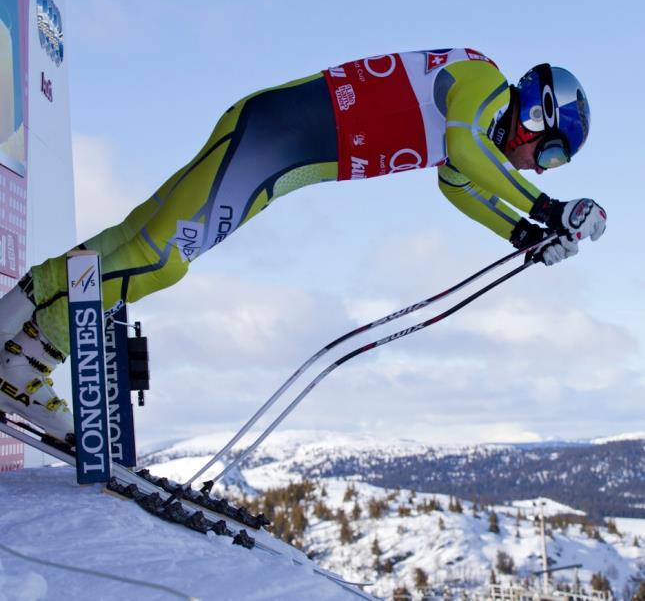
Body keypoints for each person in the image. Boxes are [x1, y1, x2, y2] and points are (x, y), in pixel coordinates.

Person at [0, 48, 607, 444]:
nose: (542, 169)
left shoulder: (474, 131)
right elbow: (471, 154)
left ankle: (18, 336)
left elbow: (459, 185)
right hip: (270, 140)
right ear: (537, 112)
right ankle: (25, 360)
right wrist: (546, 209)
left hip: (272, 151)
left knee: (136, 239)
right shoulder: (482, 82)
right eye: (550, 154)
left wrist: (521, 232)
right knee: (160, 260)